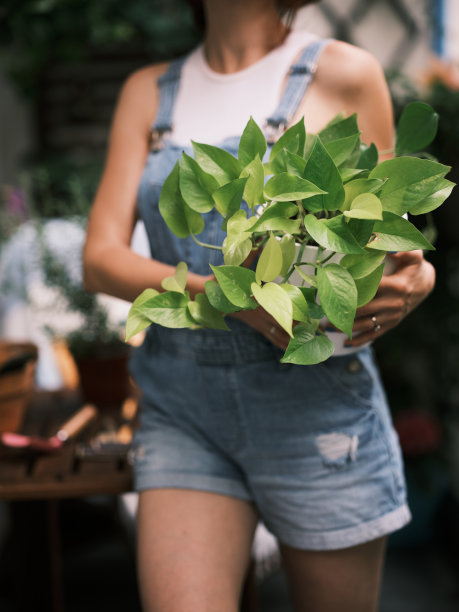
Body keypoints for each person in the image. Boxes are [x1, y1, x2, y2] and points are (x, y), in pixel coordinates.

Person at [83, 1, 436, 610]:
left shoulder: (345, 72)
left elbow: (380, 243)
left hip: (316, 408)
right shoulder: (148, 92)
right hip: (182, 410)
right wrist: (233, 298)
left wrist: (418, 275)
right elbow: (100, 259)